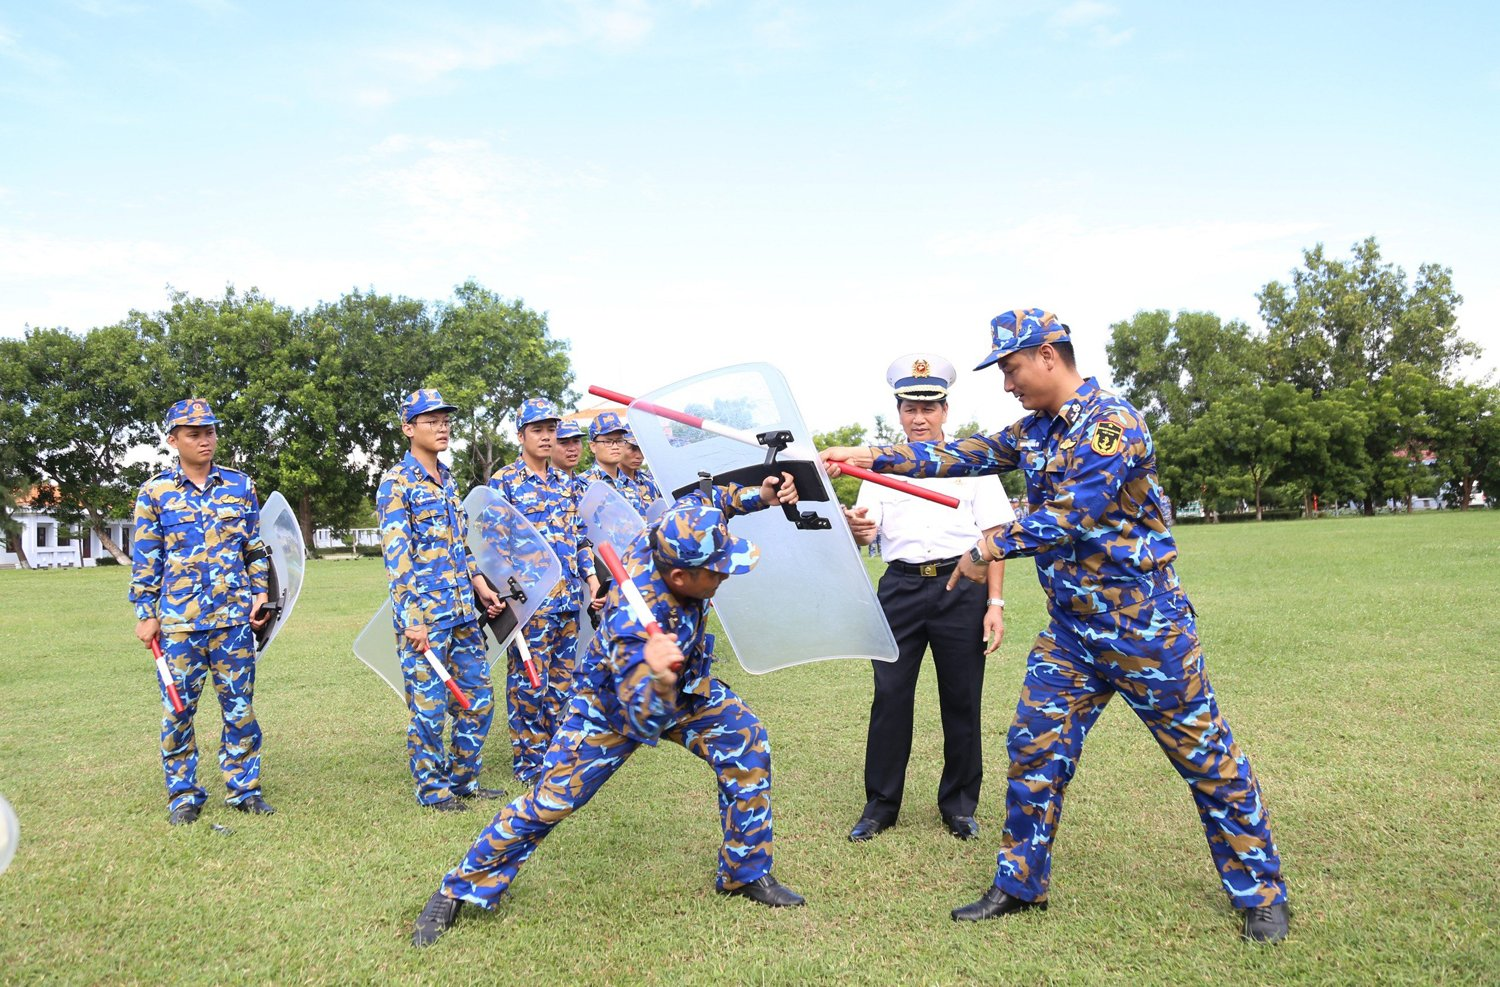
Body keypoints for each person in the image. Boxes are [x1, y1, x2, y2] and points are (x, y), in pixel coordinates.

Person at [821, 308, 1290, 944]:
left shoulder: (1111, 425)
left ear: (1048, 355)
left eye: (1012, 368)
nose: (1007, 383)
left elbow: (1070, 514)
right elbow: (961, 453)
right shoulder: (1035, 430)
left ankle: (1261, 894)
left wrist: (987, 546)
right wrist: (866, 455)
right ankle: (1021, 884)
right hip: (1071, 631)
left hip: (1142, 626)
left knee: (1203, 755)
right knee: (1033, 747)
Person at [411, 473, 806, 947]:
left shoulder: (668, 532)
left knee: (745, 739)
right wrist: (658, 675)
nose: (724, 575)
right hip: (616, 702)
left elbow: (707, 501)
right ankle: (458, 888)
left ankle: (745, 872)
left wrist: (758, 497)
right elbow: (643, 718)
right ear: (680, 577)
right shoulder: (631, 624)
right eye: (716, 571)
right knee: (551, 802)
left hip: (686, 684)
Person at [843, 355, 1014, 844]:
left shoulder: (974, 464)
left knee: (961, 698)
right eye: (910, 408)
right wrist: (858, 530)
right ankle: (880, 806)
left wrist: (995, 604)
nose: (919, 418)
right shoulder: (880, 467)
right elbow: (865, 531)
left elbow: (995, 535)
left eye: (929, 407)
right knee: (890, 697)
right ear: (898, 412)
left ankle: (959, 806)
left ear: (945, 411)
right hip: (900, 589)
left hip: (961, 589)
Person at [129, 398, 276, 825]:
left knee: (240, 710)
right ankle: (183, 796)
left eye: (209, 432)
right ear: (173, 440)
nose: (205, 440)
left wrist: (259, 593)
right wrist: (146, 612)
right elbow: (147, 558)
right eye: (194, 434)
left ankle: (244, 790)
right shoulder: (155, 492)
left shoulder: (240, 486)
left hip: (232, 621)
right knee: (178, 712)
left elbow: (253, 546)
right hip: (179, 624)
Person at [377, 389, 507, 812]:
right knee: (429, 709)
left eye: (446, 420)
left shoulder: (448, 479)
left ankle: (463, 780)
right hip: (426, 619)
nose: (442, 427)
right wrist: (412, 620)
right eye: (431, 421)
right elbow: (397, 559)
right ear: (408, 428)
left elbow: (458, 545)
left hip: (463, 613)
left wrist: (480, 584)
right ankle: (433, 791)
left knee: (479, 698)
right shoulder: (396, 483)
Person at [490, 398, 601, 785]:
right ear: (520, 435)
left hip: (568, 601)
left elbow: (580, 538)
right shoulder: (504, 482)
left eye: (551, 429)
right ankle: (528, 763)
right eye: (537, 430)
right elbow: (493, 549)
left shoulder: (566, 482)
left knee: (562, 684)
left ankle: (555, 755)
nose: (546, 437)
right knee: (528, 685)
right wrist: (512, 602)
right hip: (531, 606)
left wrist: (592, 580)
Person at [582, 411, 650, 516]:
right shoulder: (583, 484)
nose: (615, 447)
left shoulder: (630, 483)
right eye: (608, 442)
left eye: (619, 441)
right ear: (593, 446)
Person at [622, 432, 663, 510]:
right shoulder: (606, 483)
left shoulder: (650, 483)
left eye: (642, 449)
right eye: (633, 449)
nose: (639, 456)